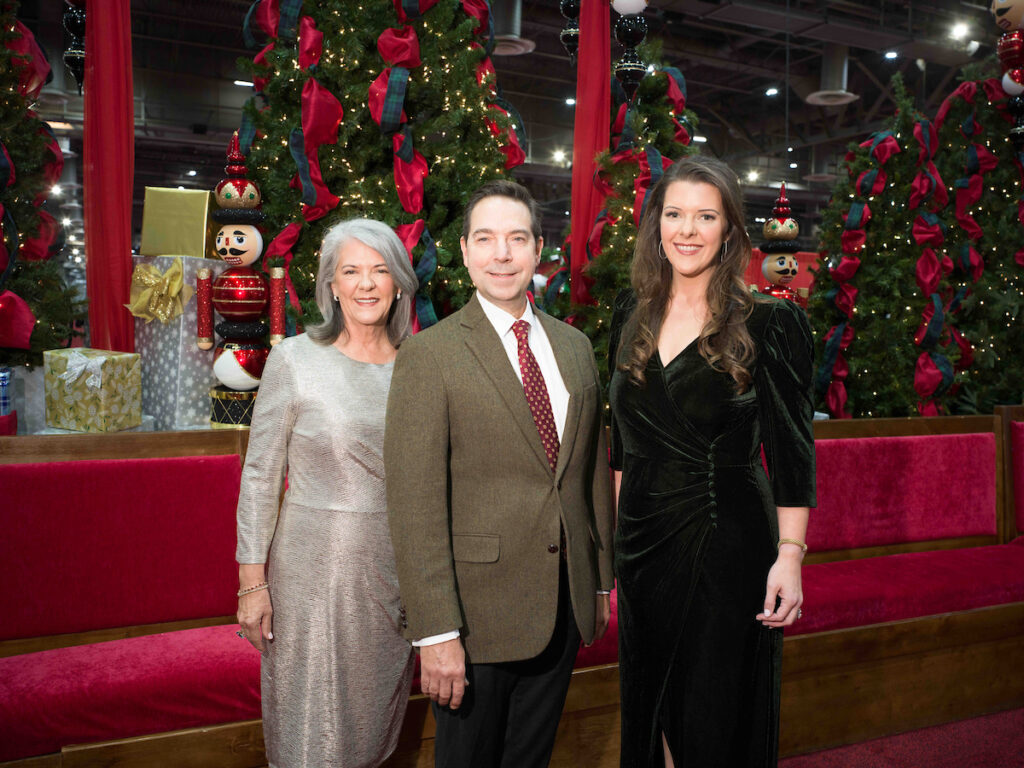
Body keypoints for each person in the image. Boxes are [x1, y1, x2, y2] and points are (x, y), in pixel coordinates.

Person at [384, 179, 615, 768]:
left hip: (562, 605)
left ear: (539, 249)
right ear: (464, 252)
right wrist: (436, 633)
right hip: (474, 621)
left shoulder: (574, 347)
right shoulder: (428, 355)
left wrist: (599, 581)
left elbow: (587, 474)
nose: (502, 254)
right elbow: (415, 507)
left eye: (517, 238)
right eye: (486, 239)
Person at [608, 156, 816, 768]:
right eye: (675, 214)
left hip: (727, 545)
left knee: (711, 715)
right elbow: (622, 447)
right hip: (643, 548)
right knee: (653, 713)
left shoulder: (771, 321)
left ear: (728, 231)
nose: (688, 230)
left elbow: (792, 454)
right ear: (657, 224)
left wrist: (790, 557)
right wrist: (617, 549)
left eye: (706, 216)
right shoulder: (629, 310)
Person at [235, 218, 419, 768]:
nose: (366, 284)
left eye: (380, 270)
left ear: (399, 284)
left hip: (394, 577)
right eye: (352, 271)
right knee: (308, 736)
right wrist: (252, 583)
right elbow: (261, 474)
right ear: (331, 286)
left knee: (371, 734)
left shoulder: (421, 365)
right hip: (309, 579)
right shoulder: (294, 360)